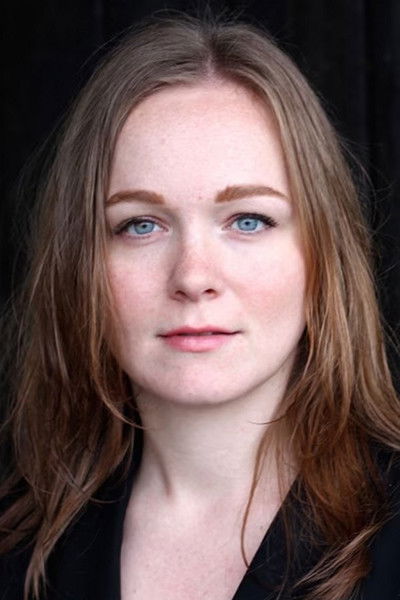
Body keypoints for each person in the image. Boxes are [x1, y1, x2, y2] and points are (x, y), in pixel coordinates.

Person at [0, 12, 399, 600]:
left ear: (323, 253)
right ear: (79, 265)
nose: (192, 277)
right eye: (141, 224)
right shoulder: (19, 549)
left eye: (248, 220)